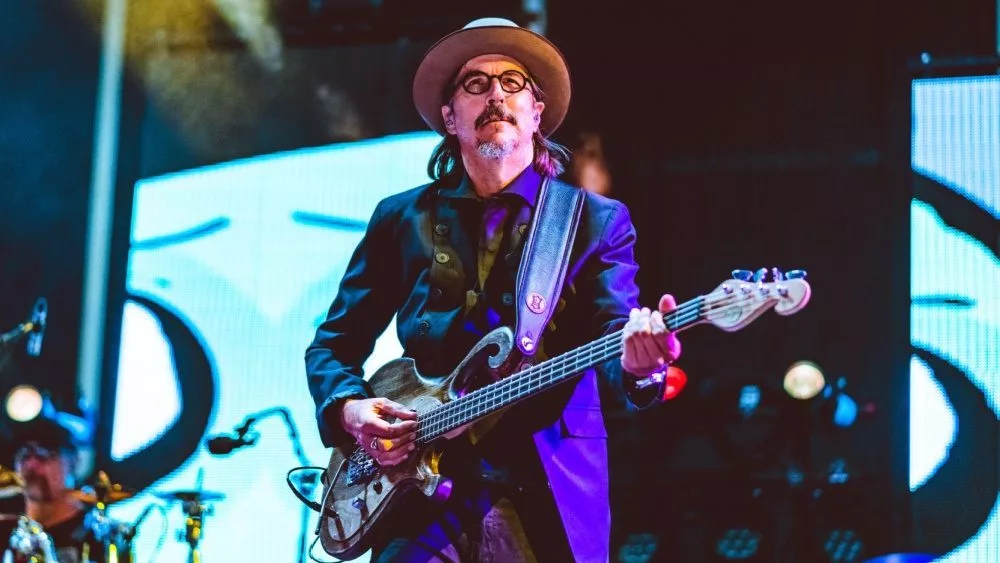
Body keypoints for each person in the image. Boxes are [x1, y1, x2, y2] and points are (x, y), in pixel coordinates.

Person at [306, 17, 681, 562]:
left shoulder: (594, 222)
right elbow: (333, 345)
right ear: (449, 117)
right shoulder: (400, 219)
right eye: (475, 85)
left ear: (537, 114)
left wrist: (642, 363)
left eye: (513, 83)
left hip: (542, 493)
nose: (496, 96)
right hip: (416, 500)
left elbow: (613, 339)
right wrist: (350, 411)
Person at [2, 417, 105, 563]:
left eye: (44, 453)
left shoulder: (98, 534)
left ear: (74, 461)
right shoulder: (7, 538)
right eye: (25, 454)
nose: (32, 464)